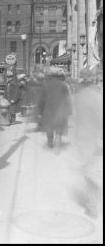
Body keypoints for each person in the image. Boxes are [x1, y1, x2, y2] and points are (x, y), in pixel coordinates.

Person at [74, 67, 103, 219]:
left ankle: (93, 207)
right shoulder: (98, 95)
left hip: (86, 138)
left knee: (90, 171)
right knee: (94, 170)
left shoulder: (79, 95)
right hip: (96, 137)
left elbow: (75, 118)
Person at [39, 69, 72, 148]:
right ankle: (58, 139)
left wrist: (40, 111)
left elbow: (41, 100)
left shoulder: (46, 85)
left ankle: (50, 141)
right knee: (59, 126)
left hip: (48, 111)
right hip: (60, 110)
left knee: (49, 126)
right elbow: (67, 99)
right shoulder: (64, 86)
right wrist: (69, 111)